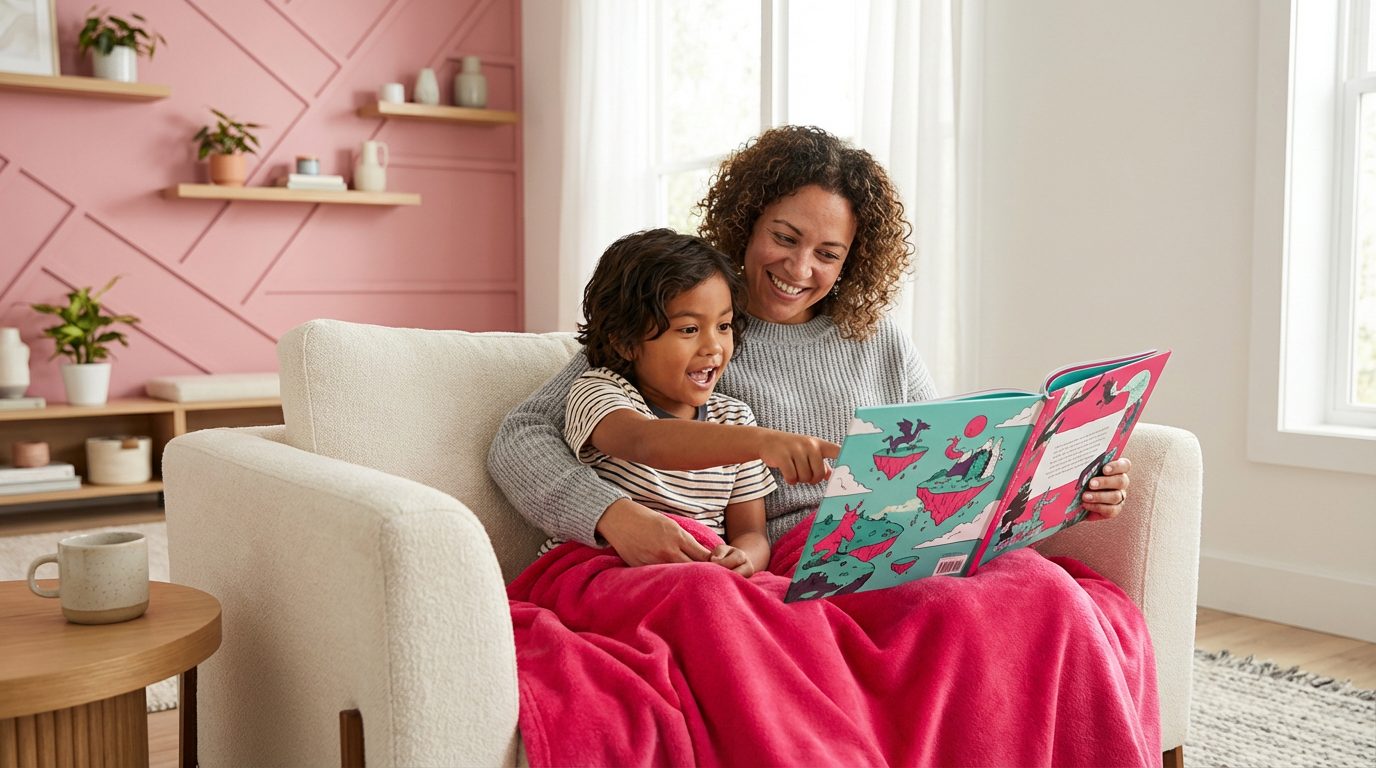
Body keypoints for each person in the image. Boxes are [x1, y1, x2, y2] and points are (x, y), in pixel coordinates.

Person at [489, 125, 1131, 566]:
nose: (799, 269)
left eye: (827, 253)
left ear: (853, 262)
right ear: (745, 222)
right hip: (803, 564)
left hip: (896, 548)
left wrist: (1071, 484)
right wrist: (609, 516)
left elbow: (944, 476)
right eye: (785, 237)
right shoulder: (678, 326)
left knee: (1051, 600)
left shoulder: (882, 343)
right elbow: (521, 435)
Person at [544, 227, 838, 576]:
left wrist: (742, 559)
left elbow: (751, 533)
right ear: (624, 342)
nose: (713, 346)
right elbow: (646, 442)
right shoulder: (600, 392)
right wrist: (762, 443)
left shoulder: (735, 418)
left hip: (699, 574)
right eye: (689, 329)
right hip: (606, 567)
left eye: (724, 326)